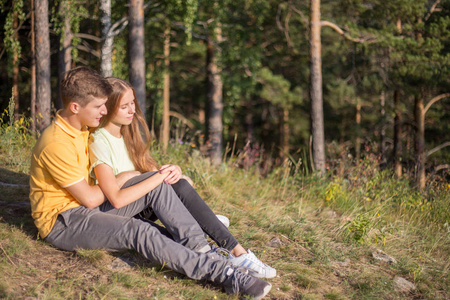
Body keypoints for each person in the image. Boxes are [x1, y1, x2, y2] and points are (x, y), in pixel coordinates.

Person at [29, 66, 272, 299]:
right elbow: (91, 198)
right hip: (63, 222)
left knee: (155, 184)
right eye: (99, 107)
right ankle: (223, 274)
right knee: (140, 230)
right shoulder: (56, 143)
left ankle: (204, 252)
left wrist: (155, 176)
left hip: (86, 210)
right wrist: (123, 177)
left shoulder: (81, 127)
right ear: (75, 107)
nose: (104, 112)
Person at [89, 77, 277, 279]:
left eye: (133, 103)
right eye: (124, 106)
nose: (132, 110)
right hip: (117, 212)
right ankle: (234, 251)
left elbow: (172, 180)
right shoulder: (98, 140)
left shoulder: (128, 136)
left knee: (179, 182)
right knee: (172, 187)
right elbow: (115, 198)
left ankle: (213, 232)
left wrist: (176, 171)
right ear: (107, 108)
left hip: (142, 203)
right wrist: (146, 176)